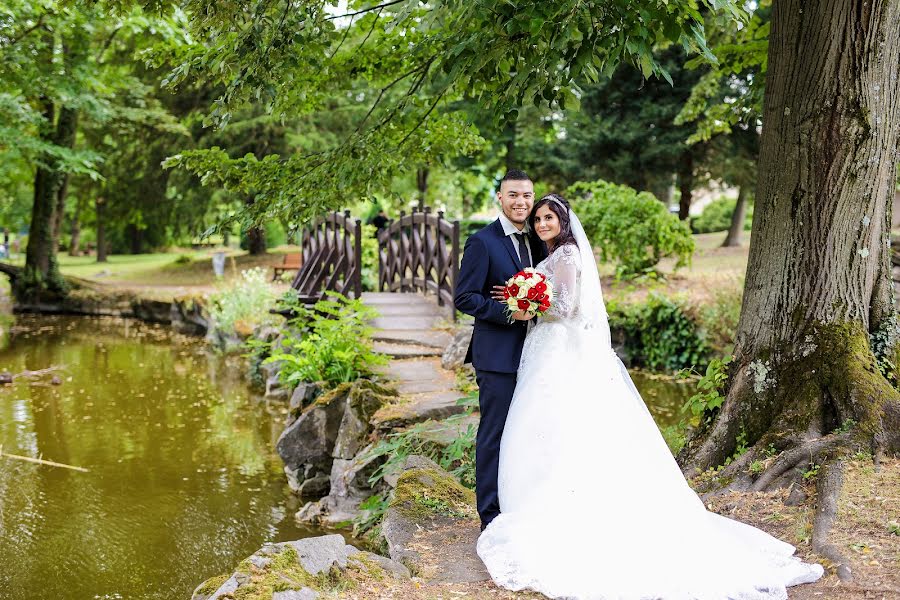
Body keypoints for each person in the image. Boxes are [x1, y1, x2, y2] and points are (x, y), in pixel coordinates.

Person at [474, 193, 824, 599]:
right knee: (546, 428)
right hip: (546, 350)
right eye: (538, 220)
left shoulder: (567, 255)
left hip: (559, 348)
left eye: (548, 217)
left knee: (560, 423)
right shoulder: (551, 254)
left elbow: (567, 307)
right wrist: (529, 300)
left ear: (564, 221)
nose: (541, 224)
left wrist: (531, 303)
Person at [453, 169, 547, 530]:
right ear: (500, 198)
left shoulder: (538, 241)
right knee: (494, 433)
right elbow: (465, 296)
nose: (521, 202)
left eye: (526, 195)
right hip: (497, 357)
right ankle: (490, 515)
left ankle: (521, 502)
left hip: (537, 354)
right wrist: (511, 311)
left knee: (529, 430)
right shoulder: (482, 241)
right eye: (513, 195)